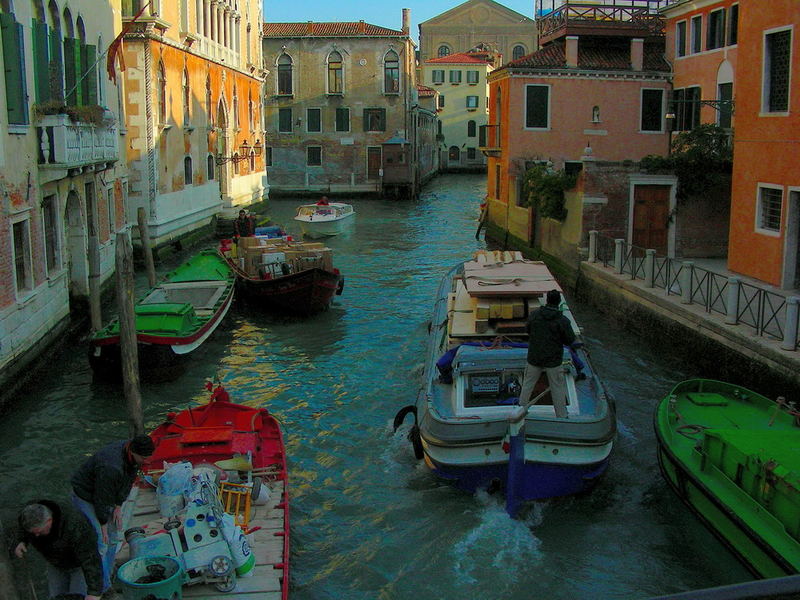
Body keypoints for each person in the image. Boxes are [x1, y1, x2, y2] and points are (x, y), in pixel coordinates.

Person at [70, 435, 155, 592]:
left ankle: (108, 575)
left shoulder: (131, 456)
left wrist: (118, 505)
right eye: (144, 458)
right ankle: (101, 587)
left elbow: (129, 480)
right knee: (101, 542)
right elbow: (102, 497)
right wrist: (102, 523)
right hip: (86, 495)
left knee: (114, 538)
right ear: (133, 452)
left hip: (106, 494)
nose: (147, 461)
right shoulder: (111, 466)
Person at [13, 499, 103, 600]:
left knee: (78, 596)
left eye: (39, 531)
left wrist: (94, 592)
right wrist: (21, 540)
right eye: (33, 532)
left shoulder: (76, 525)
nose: (36, 535)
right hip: (55, 563)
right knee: (55, 597)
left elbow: (91, 559)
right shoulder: (28, 514)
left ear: (49, 521)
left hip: (79, 565)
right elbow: (23, 528)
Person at [517, 289, 576, 418]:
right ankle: (561, 415)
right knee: (557, 387)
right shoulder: (563, 320)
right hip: (553, 360)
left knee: (527, 384)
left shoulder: (534, 315)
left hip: (534, 357)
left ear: (547, 300)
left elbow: (527, 330)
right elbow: (570, 340)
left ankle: (520, 411)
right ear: (558, 302)